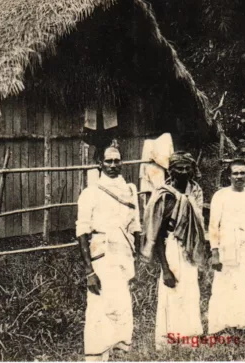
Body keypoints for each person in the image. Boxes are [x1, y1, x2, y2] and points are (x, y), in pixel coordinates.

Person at [76, 143, 141, 361]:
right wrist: (89, 271)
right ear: (99, 164)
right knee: (99, 306)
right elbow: (82, 232)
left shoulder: (130, 190)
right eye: (108, 161)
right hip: (101, 255)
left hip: (123, 254)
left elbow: (135, 227)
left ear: (122, 163)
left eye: (117, 161)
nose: (113, 165)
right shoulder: (90, 192)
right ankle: (96, 356)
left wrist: (136, 259)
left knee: (121, 304)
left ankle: (119, 353)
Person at [141, 151, 206, 350]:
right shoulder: (164, 195)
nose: (184, 172)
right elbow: (158, 235)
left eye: (187, 168)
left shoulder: (195, 192)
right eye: (179, 168)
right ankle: (168, 341)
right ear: (171, 170)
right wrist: (165, 269)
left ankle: (188, 339)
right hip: (171, 247)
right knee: (172, 292)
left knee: (191, 292)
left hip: (190, 250)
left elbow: (198, 227)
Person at [207, 159, 245, 333]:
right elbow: (213, 226)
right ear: (229, 176)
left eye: (242, 173)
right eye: (235, 173)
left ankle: (240, 324)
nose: (239, 176)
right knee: (222, 284)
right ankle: (220, 326)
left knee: (242, 283)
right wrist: (215, 252)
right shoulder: (220, 195)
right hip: (226, 245)